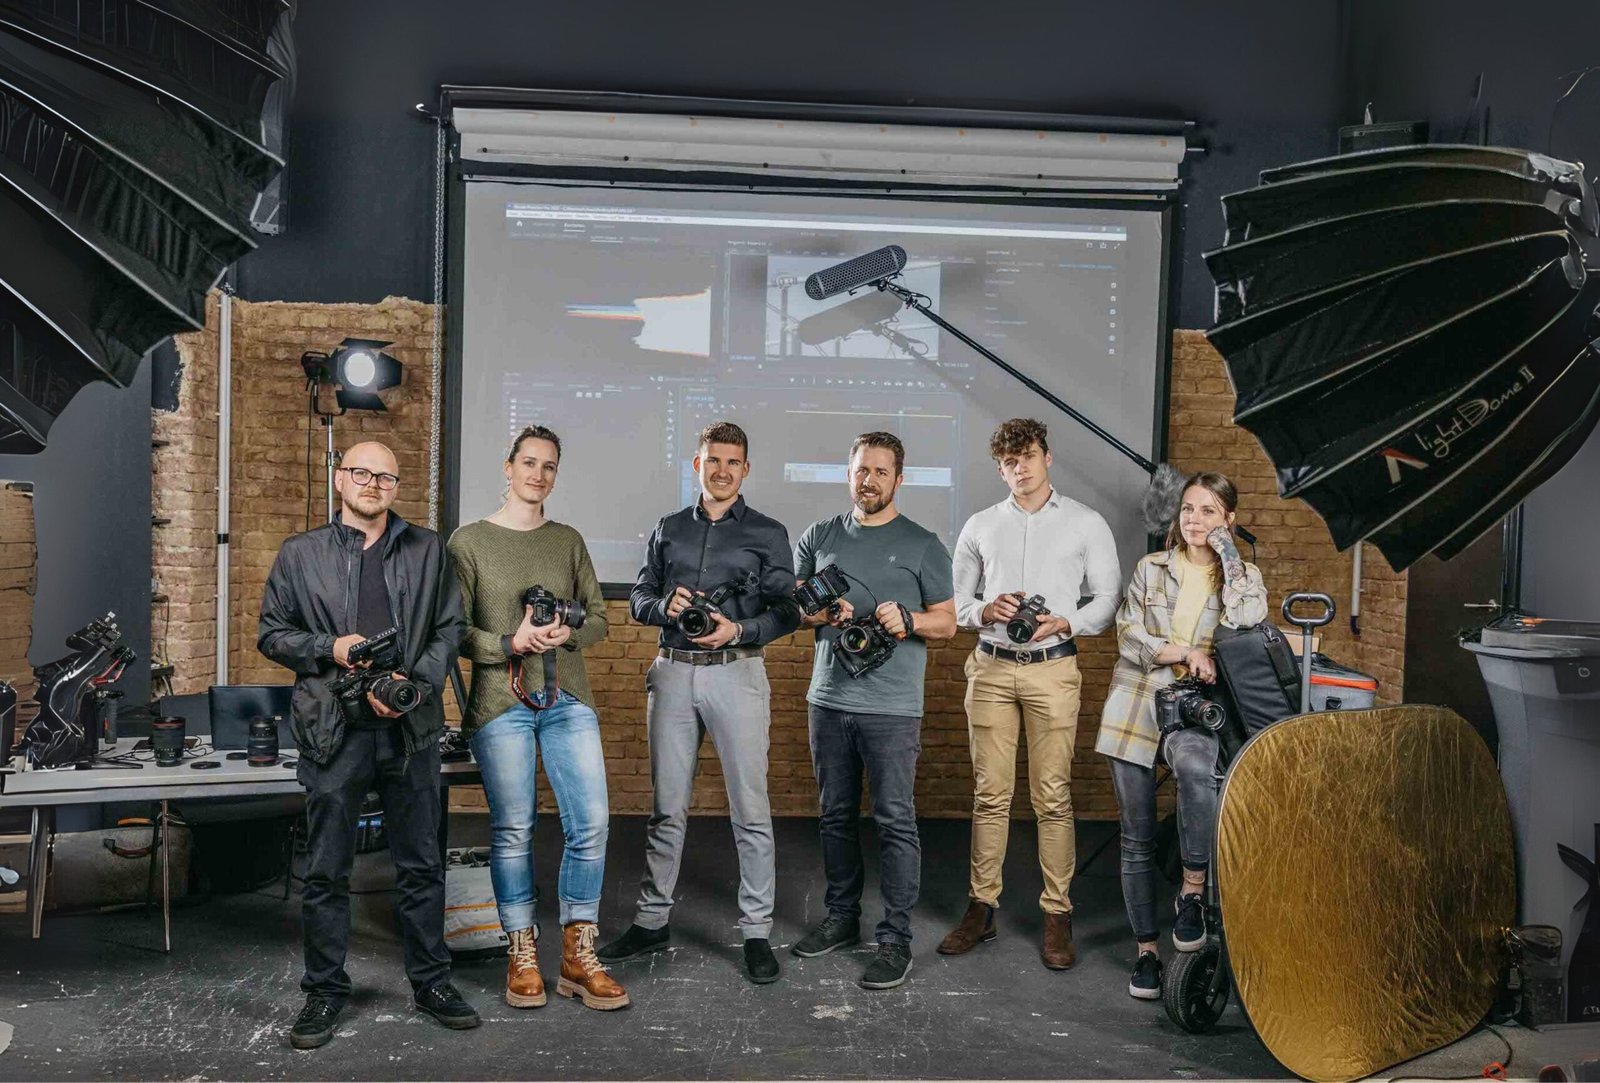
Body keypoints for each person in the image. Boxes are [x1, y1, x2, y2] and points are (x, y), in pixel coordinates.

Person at [258, 441, 477, 1049]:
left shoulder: (428, 549)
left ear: (396, 487)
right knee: (326, 870)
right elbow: (272, 634)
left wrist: (414, 686)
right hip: (333, 731)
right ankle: (325, 991)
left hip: (410, 730)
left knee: (421, 865)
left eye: (385, 476)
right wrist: (328, 648)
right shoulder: (300, 553)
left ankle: (432, 983)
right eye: (361, 472)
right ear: (339, 479)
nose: (373, 483)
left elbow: (448, 629)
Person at [599, 422, 802, 984]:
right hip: (672, 672)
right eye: (713, 460)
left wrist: (739, 629)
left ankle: (756, 931)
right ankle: (651, 920)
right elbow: (638, 597)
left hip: (737, 673)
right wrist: (663, 605)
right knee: (666, 808)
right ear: (697, 464)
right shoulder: (668, 529)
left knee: (750, 810)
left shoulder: (768, 533)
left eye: (733, 462)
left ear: (746, 469)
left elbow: (789, 611)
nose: (722, 470)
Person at [447, 425, 628, 1011]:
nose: (538, 474)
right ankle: (521, 952)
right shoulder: (469, 542)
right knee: (513, 829)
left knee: (591, 824)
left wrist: (565, 634)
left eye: (549, 466)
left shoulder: (567, 541)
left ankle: (578, 955)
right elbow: (454, 632)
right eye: (529, 462)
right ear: (508, 467)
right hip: (500, 703)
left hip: (566, 698)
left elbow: (598, 619)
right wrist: (512, 641)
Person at [943, 418, 1121, 969]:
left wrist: (1066, 621)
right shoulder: (980, 525)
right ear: (1000, 470)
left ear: (1047, 458)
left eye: (1028, 456)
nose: (1019, 468)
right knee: (989, 795)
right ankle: (981, 907)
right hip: (992, 668)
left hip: (1053, 668)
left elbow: (1108, 599)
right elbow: (956, 602)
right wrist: (985, 610)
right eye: (1009, 462)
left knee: (1053, 797)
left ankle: (1057, 913)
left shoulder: (1086, 523)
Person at [791, 431, 956, 990]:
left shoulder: (924, 544)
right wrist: (823, 613)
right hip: (828, 699)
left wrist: (908, 620)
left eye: (881, 471)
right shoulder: (819, 535)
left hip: (892, 707)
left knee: (894, 820)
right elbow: (796, 608)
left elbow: (947, 622)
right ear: (849, 474)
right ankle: (841, 918)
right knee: (835, 816)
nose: (870, 480)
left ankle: (895, 940)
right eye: (862, 470)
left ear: (898, 479)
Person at [1095, 471, 1267, 1000]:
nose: (1194, 519)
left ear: (1228, 519)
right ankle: (1146, 952)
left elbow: (1248, 617)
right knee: (1137, 834)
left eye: (1209, 511)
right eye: (1188, 509)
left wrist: (1228, 553)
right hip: (1135, 701)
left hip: (1196, 706)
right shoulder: (1151, 568)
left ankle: (1192, 890)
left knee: (1196, 772)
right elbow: (1129, 635)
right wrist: (1187, 652)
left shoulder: (1242, 576)